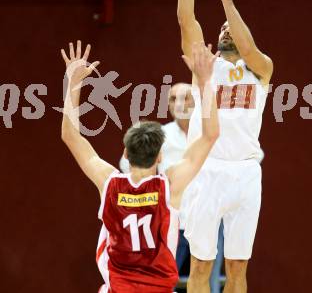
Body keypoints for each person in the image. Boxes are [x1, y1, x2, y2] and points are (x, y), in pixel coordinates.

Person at [60, 40, 219, 293]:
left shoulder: (109, 182)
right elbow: (211, 135)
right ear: (159, 158)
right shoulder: (169, 186)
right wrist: (205, 81)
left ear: (125, 153)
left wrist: (73, 82)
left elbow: (70, 135)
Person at [177, 0, 273, 293]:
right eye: (222, 28)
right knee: (201, 265)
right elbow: (186, 20)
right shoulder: (206, 65)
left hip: (246, 173)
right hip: (208, 170)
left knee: (237, 267)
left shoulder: (262, 69)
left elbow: (248, 47)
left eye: (232, 27)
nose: (226, 29)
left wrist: (227, 3)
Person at [119, 83, 225, 291]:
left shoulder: (212, 135)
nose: (179, 104)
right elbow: (128, 165)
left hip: (209, 220)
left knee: (210, 283)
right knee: (162, 281)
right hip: (170, 223)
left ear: (196, 101)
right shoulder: (159, 137)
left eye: (185, 98)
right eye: (173, 99)